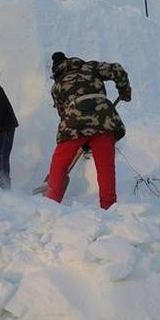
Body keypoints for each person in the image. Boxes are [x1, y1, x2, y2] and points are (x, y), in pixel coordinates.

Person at [46, 52, 131, 210]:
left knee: (60, 163)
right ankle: (109, 207)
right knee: (106, 168)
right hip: (104, 120)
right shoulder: (91, 67)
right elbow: (117, 69)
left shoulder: (57, 86)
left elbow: (63, 115)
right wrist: (124, 90)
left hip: (74, 123)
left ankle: (50, 203)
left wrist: (80, 138)